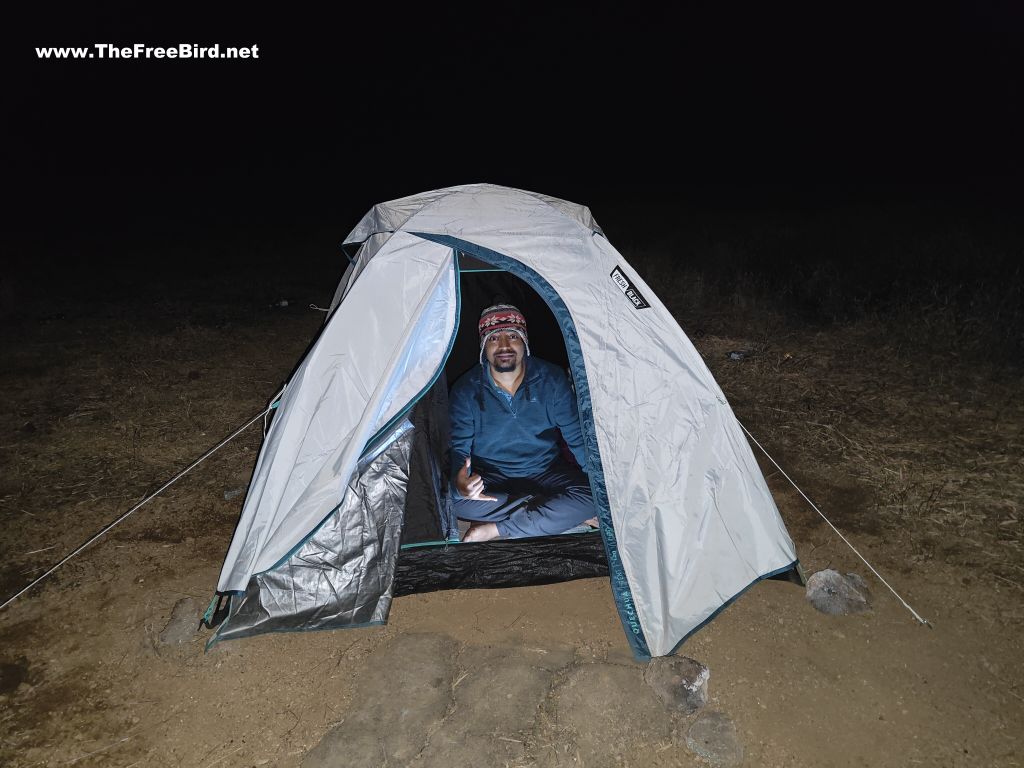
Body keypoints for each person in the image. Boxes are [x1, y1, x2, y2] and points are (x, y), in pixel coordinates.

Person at [449, 303, 597, 542]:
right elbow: (459, 449)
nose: (504, 345)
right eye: (494, 337)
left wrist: (599, 484)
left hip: (544, 471)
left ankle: (497, 529)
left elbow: (577, 438)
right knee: (455, 502)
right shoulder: (465, 390)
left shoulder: (552, 379)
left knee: (595, 496)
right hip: (493, 476)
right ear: (484, 346)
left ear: (524, 342)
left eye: (513, 336)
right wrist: (461, 483)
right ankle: (554, 512)